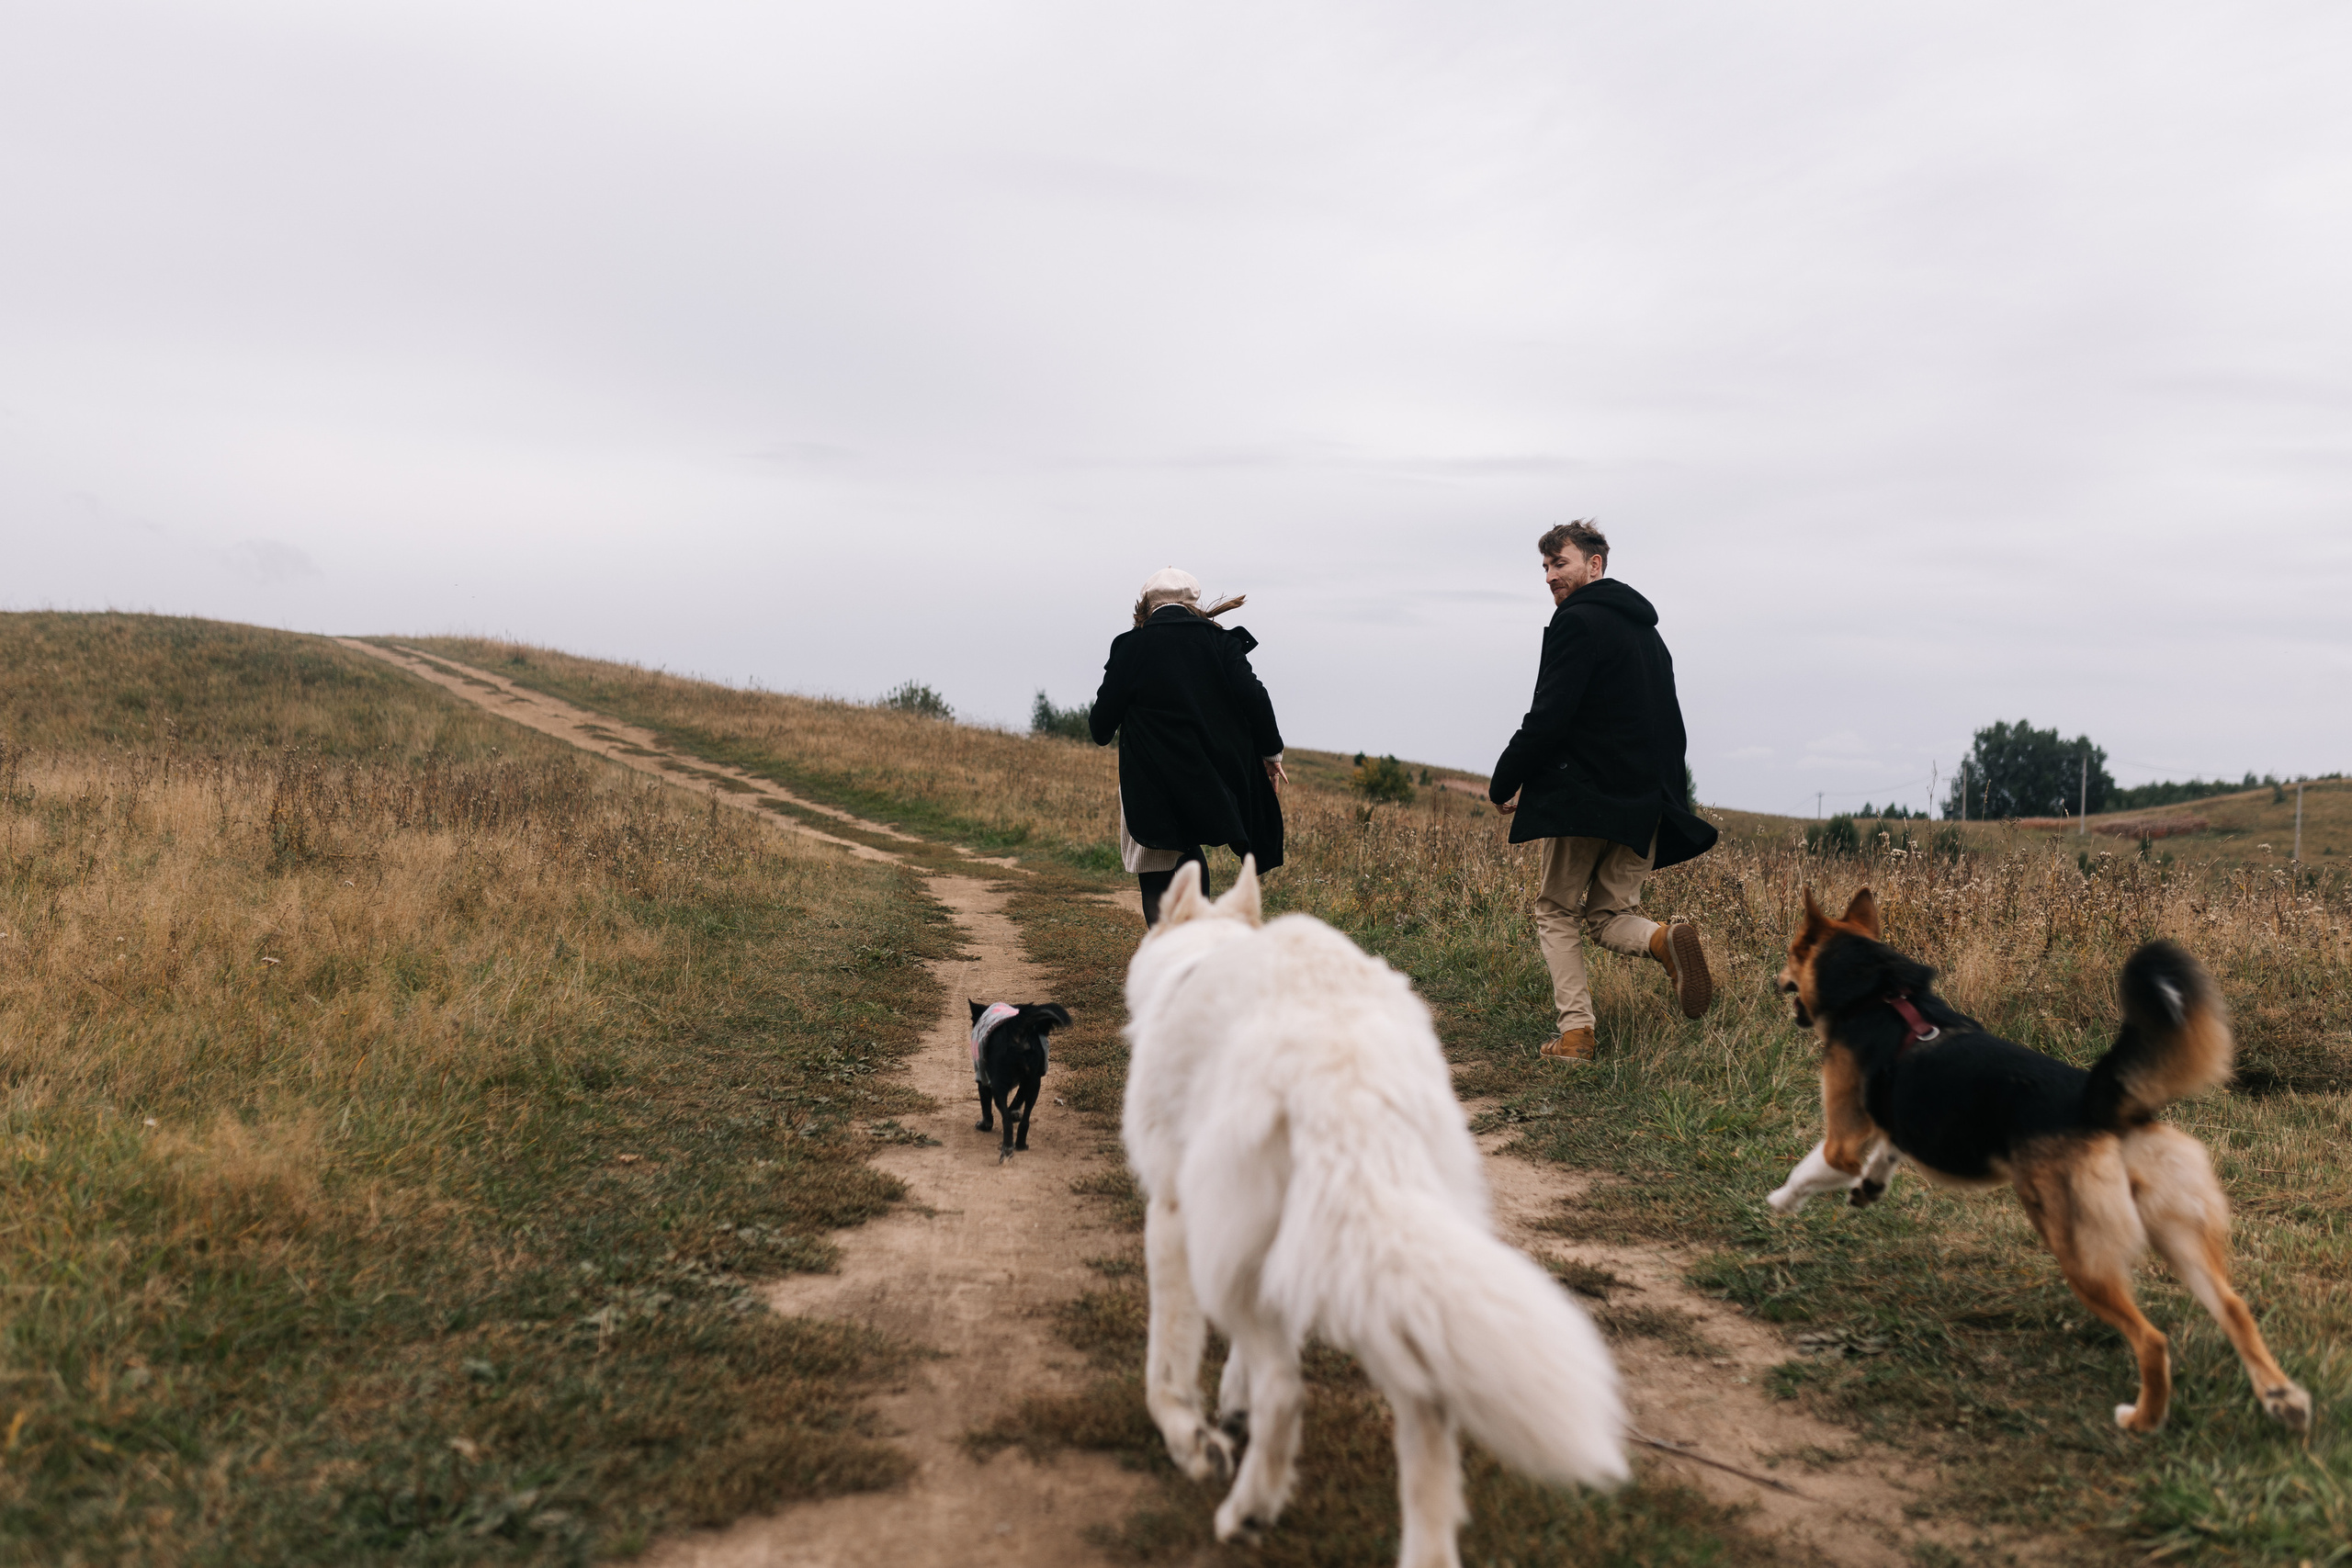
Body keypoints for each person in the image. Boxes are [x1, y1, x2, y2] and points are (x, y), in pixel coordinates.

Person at [1489, 522, 1718, 1062]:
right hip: (1643, 801)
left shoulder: (1576, 623)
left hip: (1586, 799)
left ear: (1595, 565)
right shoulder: (1648, 635)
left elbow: (1549, 715)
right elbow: (1670, 725)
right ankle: (1663, 940)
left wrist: (1507, 776)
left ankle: (1576, 1035)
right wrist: (1664, 800)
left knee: (1555, 909)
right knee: (1609, 915)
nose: (1550, 576)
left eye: (1559, 564)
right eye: (1544, 568)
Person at [1090, 567, 1287, 926]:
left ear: (1146, 605)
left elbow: (1100, 728)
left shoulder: (1130, 646)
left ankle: (1177, 963)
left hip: (1149, 782)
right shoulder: (1220, 642)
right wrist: (1270, 754)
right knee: (1189, 849)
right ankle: (1194, 952)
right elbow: (1255, 698)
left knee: (1158, 865)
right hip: (1206, 777)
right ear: (1193, 602)